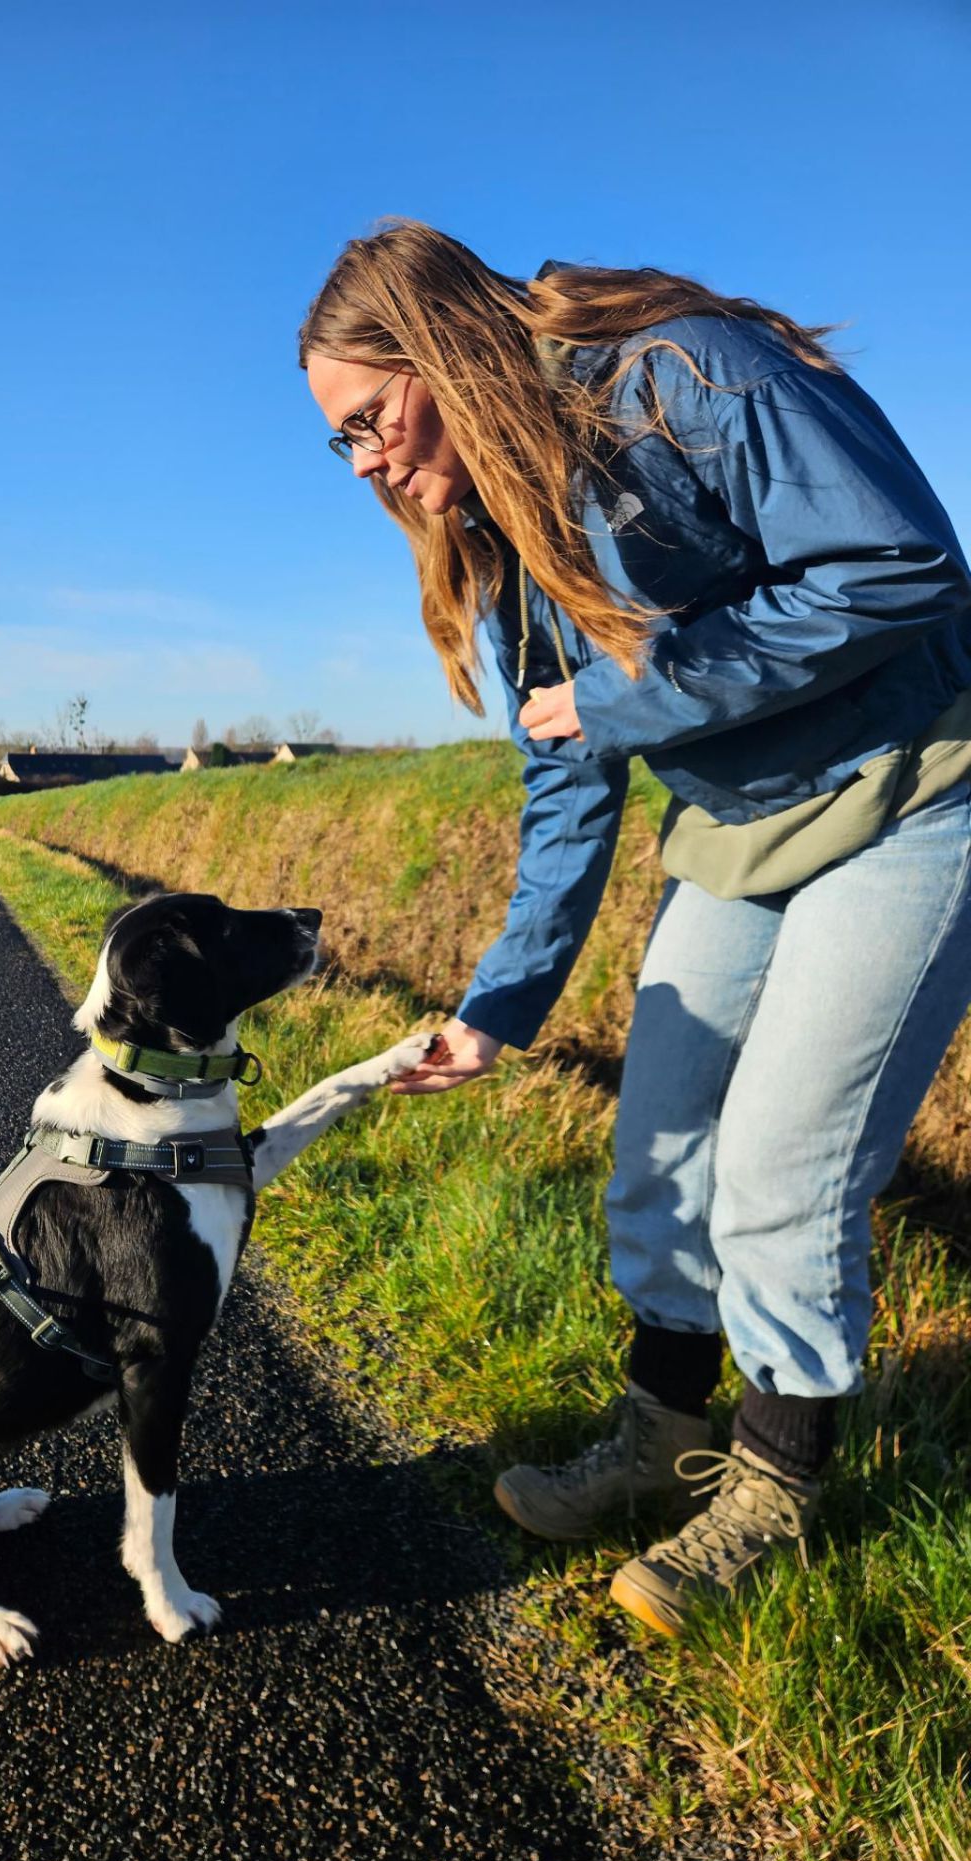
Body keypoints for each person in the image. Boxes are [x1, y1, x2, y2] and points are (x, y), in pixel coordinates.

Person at [301, 220, 971, 1637]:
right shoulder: (500, 534)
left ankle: (778, 1490)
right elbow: (568, 778)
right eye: (337, 440)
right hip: (735, 827)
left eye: (369, 419)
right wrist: (497, 1008)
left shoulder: (683, 373)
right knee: (658, 1151)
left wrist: (630, 695)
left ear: (443, 350)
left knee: (783, 1177)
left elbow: (898, 565)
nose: (361, 463)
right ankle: (662, 1441)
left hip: (912, 789)